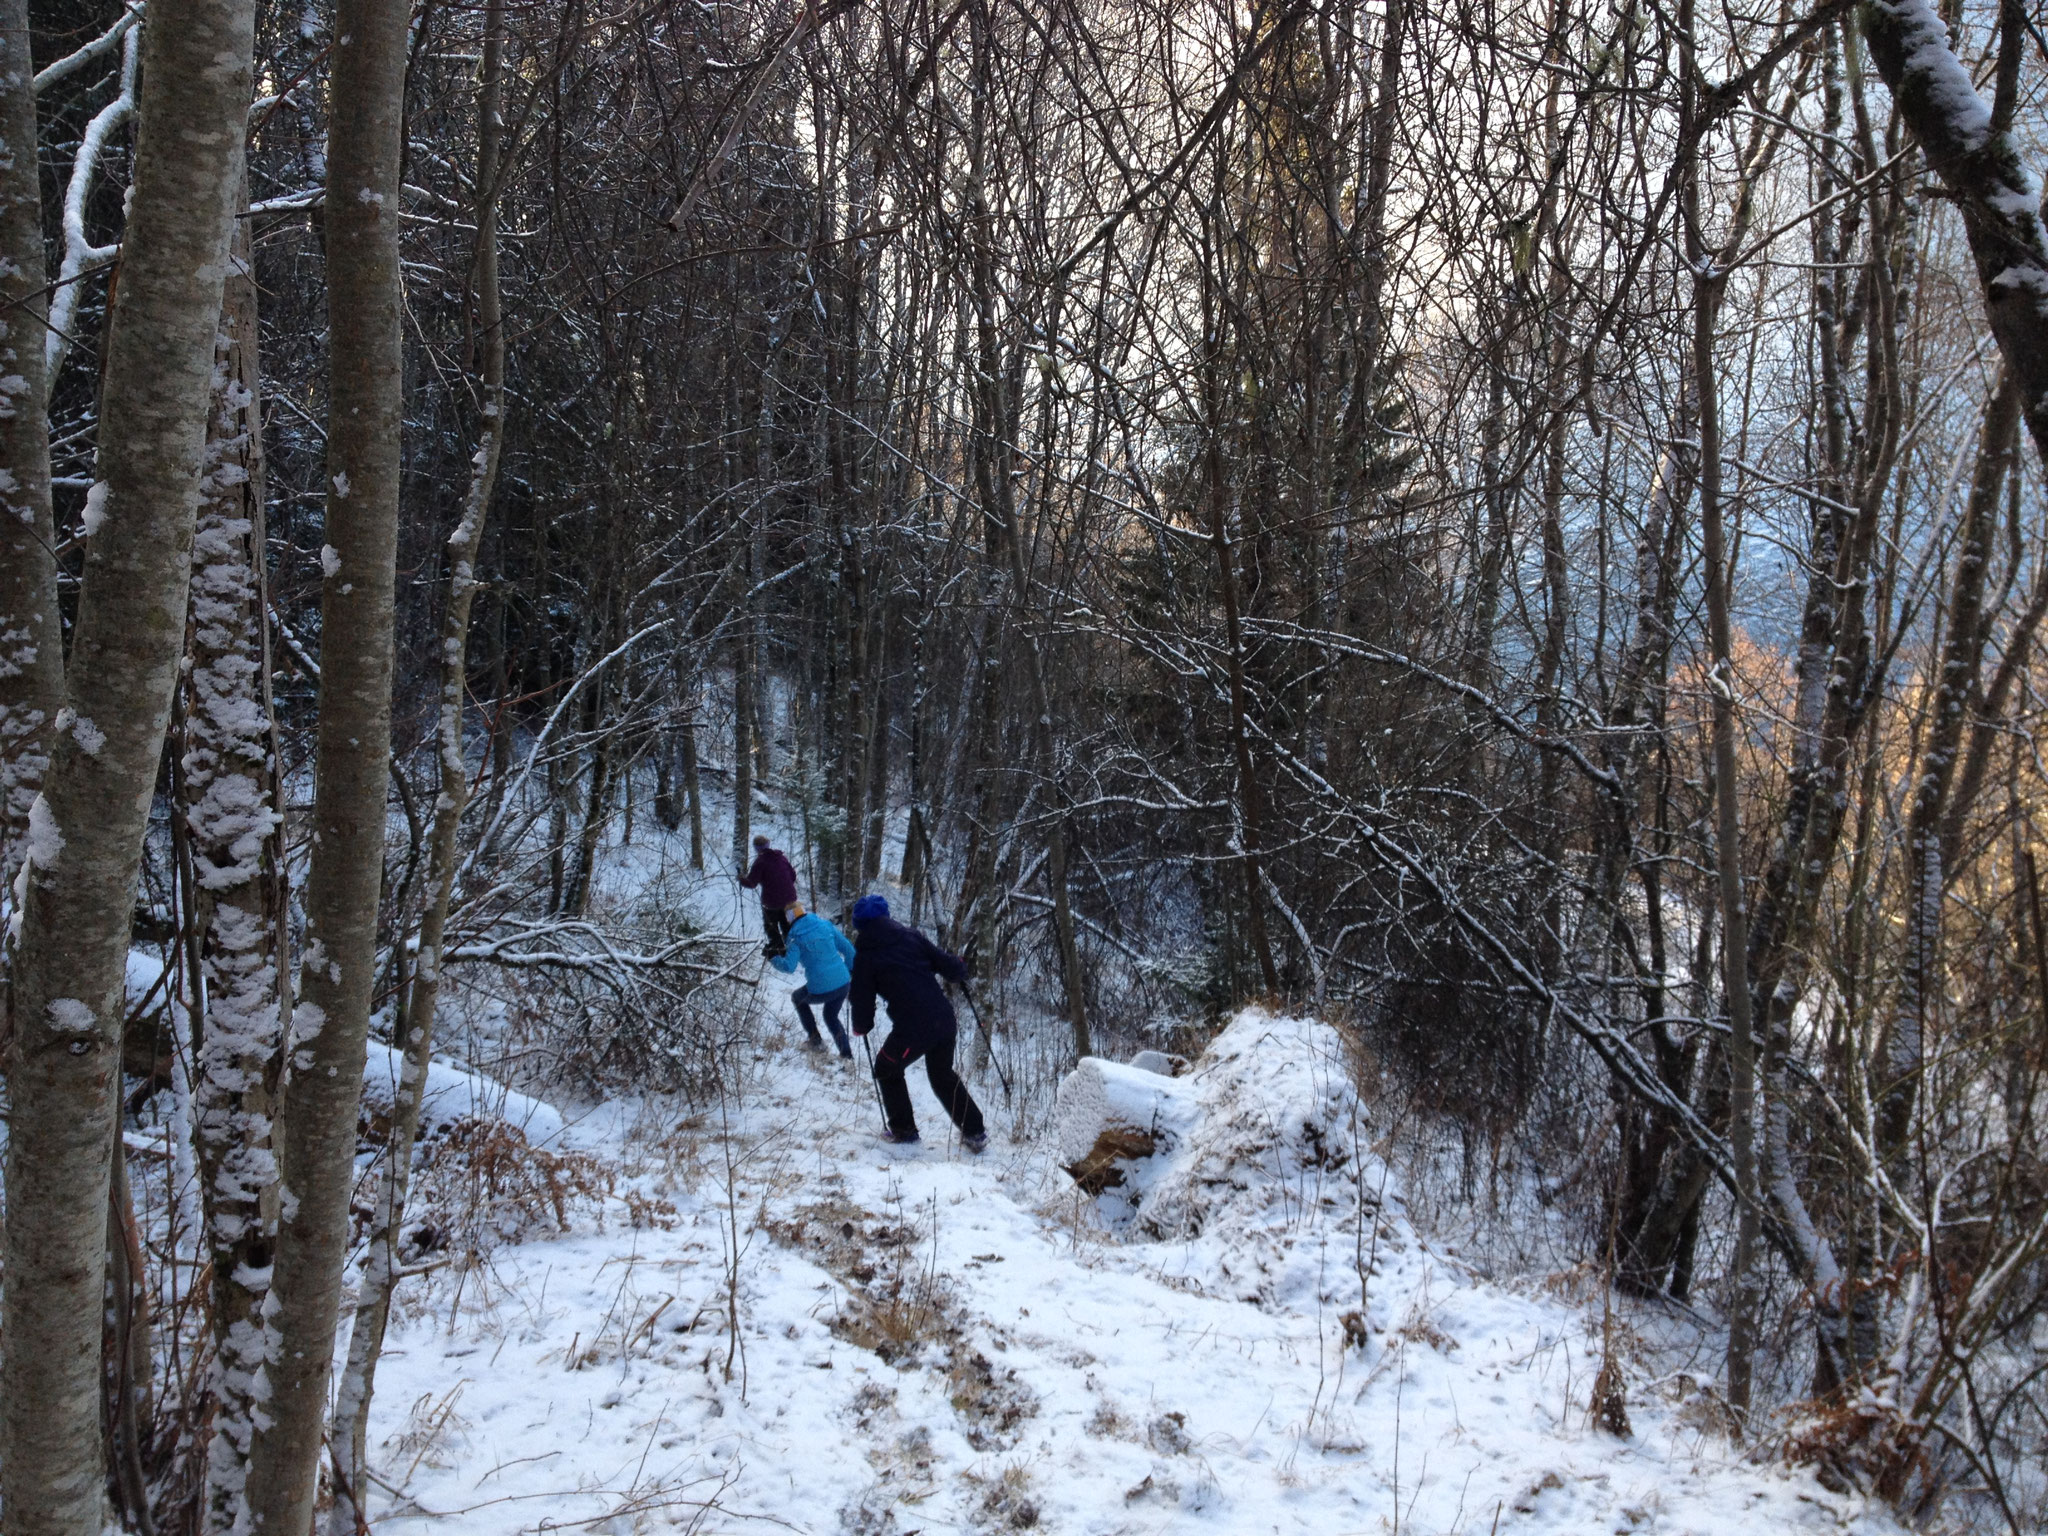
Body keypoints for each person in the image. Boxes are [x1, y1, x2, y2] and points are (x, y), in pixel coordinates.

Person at [848, 894, 987, 1152]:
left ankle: (904, 1131)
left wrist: (861, 1026)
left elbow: (861, 997)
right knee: (942, 1074)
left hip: (914, 1027)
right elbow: (946, 963)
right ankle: (975, 1132)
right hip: (944, 1018)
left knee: (886, 1067)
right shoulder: (911, 936)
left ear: (859, 925)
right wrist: (959, 968)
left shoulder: (865, 956)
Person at [769, 902, 856, 1058]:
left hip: (820, 988)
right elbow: (849, 950)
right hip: (843, 983)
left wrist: (773, 958)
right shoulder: (825, 925)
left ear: (789, 919)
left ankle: (815, 1041)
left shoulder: (795, 937)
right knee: (830, 1016)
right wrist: (849, 970)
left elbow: (789, 967)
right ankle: (846, 1054)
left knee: (798, 998)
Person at [739, 834, 798, 953]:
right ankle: (793, 948)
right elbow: (793, 876)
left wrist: (741, 879)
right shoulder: (782, 858)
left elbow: (751, 883)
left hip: (772, 901)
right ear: (768, 845)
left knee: (771, 925)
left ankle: (777, 947)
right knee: (788, 925)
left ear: (756, 848)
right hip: (790, 899)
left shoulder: (760, 862)